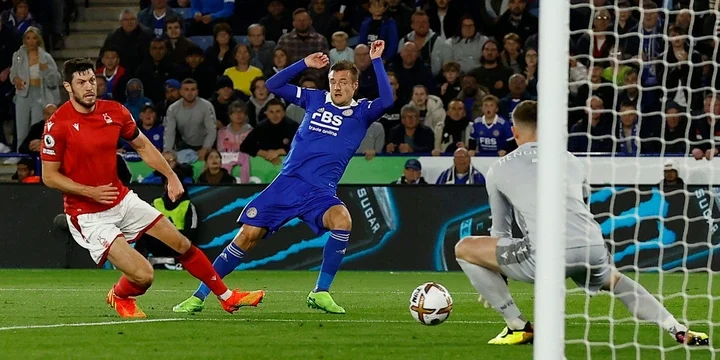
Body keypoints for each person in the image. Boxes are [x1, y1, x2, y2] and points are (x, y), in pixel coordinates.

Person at [454, 100, 710, 346]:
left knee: (464, 248)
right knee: (616, 281)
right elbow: (582, 206)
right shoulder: (571, 160)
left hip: (546, 254)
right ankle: (676, 328)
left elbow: (500, 230)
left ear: (514, 132)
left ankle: (517, 325)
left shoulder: (498, 169)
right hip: (591, 244)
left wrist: (495, 276)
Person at [173, 40, 394, 315]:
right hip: (287, 184)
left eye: (344, 82)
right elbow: (274, 86)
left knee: (343, 220)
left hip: (320, 192)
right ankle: (199, 296)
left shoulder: (362, 112)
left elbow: (388, 100)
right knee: (247, 235)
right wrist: (304, 64)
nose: (337, 86)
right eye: (333, 81)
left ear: (354, 86)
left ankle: (321, 292)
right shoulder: (315, 99)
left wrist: (376, 61)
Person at [40, 58, 264, 319]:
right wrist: (90, 192)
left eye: (92, 80)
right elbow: (49, 176)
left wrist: (171, 176)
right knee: (144, 275)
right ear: (68, 86)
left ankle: (226, 297)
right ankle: (120, 294)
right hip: (87, 213)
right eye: (81, 82)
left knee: (181, 243)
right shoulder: (58, 124)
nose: (89, 87)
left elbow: (144, 146)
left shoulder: (114, 112)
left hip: (121, 199)